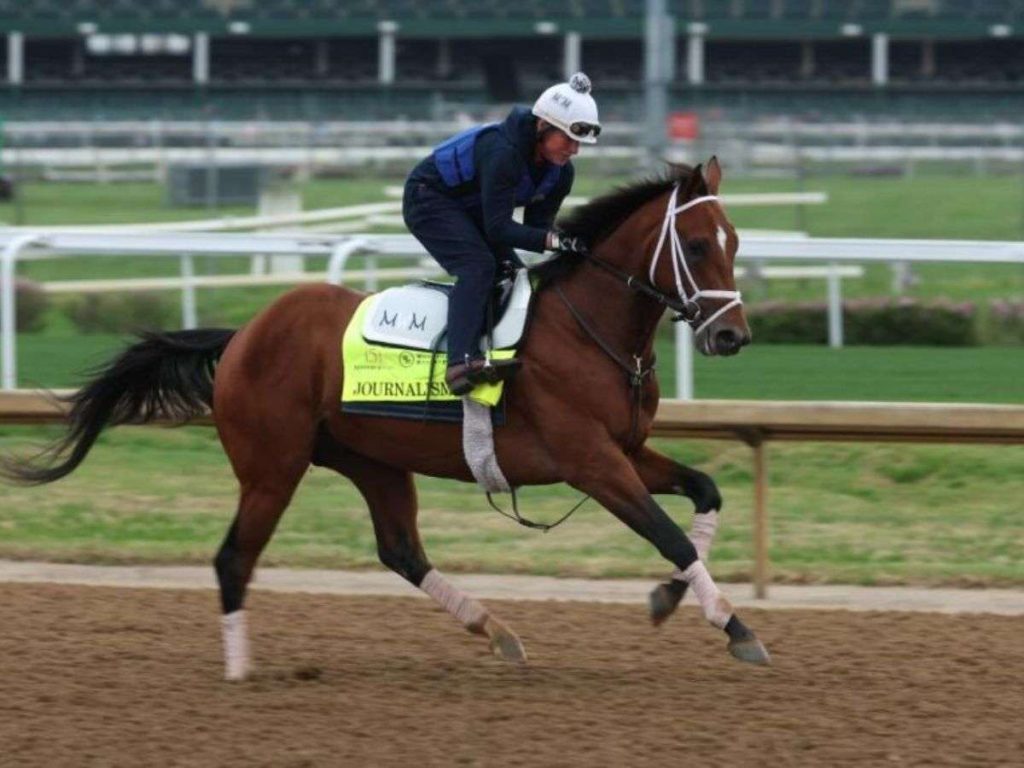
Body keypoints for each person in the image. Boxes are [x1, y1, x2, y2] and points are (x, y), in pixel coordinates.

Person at [403, 72, 600, 396]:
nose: (574, 149)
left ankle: (490, 352)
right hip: (428, 198)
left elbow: (538, 227)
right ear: (543, 126)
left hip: (471, 209)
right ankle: (459, 363)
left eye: (578, 142)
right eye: (568, 139)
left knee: (514, 273)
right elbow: (499, 228)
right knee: (478, 266)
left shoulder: (561, 173)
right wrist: (555, 241)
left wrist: (569, 239)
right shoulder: (503, 153)